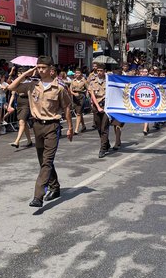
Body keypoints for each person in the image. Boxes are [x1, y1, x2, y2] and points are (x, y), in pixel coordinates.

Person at [7, 56, 73, 209]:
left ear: (51, 69)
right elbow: (11, 88)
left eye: (43, 67)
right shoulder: (32, 85)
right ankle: (55, 187)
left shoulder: (59, 87)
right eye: (38, 67)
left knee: (47, 162)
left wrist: (70, 127)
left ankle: (38, 196)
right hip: (37, 126)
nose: (41, 70)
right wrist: (26, 74)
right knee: (43, 161)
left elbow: (67, 107)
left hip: (52, 126)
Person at [88, 66, 110, 158]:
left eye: (101, 70)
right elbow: (92, 95)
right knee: (99, 127)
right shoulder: (93, 82)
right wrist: (97, 107)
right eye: (98, 71)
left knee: (104, 127)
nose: (100, 72)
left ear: (105, 71)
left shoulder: (109, 82)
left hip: (106, 107)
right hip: (96, 106)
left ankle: (103, 148)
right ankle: (106, 143)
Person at [69, 68, 88, 135]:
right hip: (74, 97)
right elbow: (70, 90)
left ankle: (76, 129)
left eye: (78, 73)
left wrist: (87, 96)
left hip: (81, 96)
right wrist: (74, 94)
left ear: (81, 74)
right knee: (78, 112)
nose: (77, 74)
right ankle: (83, 125)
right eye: (76, 73)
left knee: (79, 113)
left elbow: (88, 88)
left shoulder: (84, 81)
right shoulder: (73, 81)